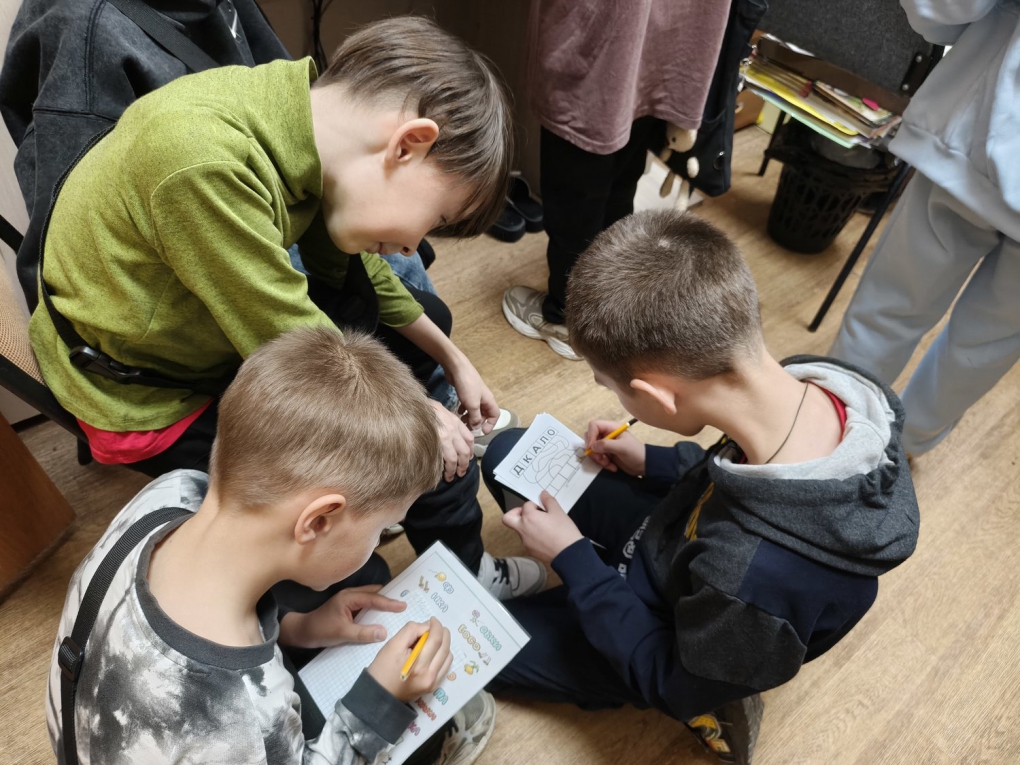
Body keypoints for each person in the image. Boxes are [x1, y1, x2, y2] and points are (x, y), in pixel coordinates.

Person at [28, 16, 542, 599]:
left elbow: (354, 271)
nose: (411, 246)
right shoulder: (203, 163)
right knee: (335, 528)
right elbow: (299, 347)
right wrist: (419, 417)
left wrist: (453, 359)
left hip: (216, 322)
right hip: (150, 393)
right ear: (407, 144)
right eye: (436, 219)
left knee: (425, 333)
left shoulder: (302, 121)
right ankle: (339, 600)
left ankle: (454, 558)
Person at [481, 211, 920, 764]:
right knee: (508, 455)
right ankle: (640, 605)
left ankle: (722, 696)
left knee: (475, 642)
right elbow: (730, 467)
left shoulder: (755, 581)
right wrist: (653, 460)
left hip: (679, 643)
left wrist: (574, 561)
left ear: (657, 398)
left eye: (612, 388)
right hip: (682, 544)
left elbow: (668, 678)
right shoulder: (810, 384)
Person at [46, 327, 497, 764]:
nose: (379, 540)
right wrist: (379, 702)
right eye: (382, 529)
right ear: (318, 520)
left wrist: (299, 628)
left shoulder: (172, 492)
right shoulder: (247, 715)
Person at [829, 0, 1020, 458]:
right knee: (983, 347)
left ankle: (831, 425)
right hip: (971, 145)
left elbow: (939, 14)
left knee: (891, 307)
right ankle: (904, 448)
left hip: (972, 139)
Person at [500, 0, 730, 360]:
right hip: (673, 39)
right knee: (622, 178)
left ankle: (568, 323)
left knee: (577, 196)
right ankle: (609, 308)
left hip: (605, 36)